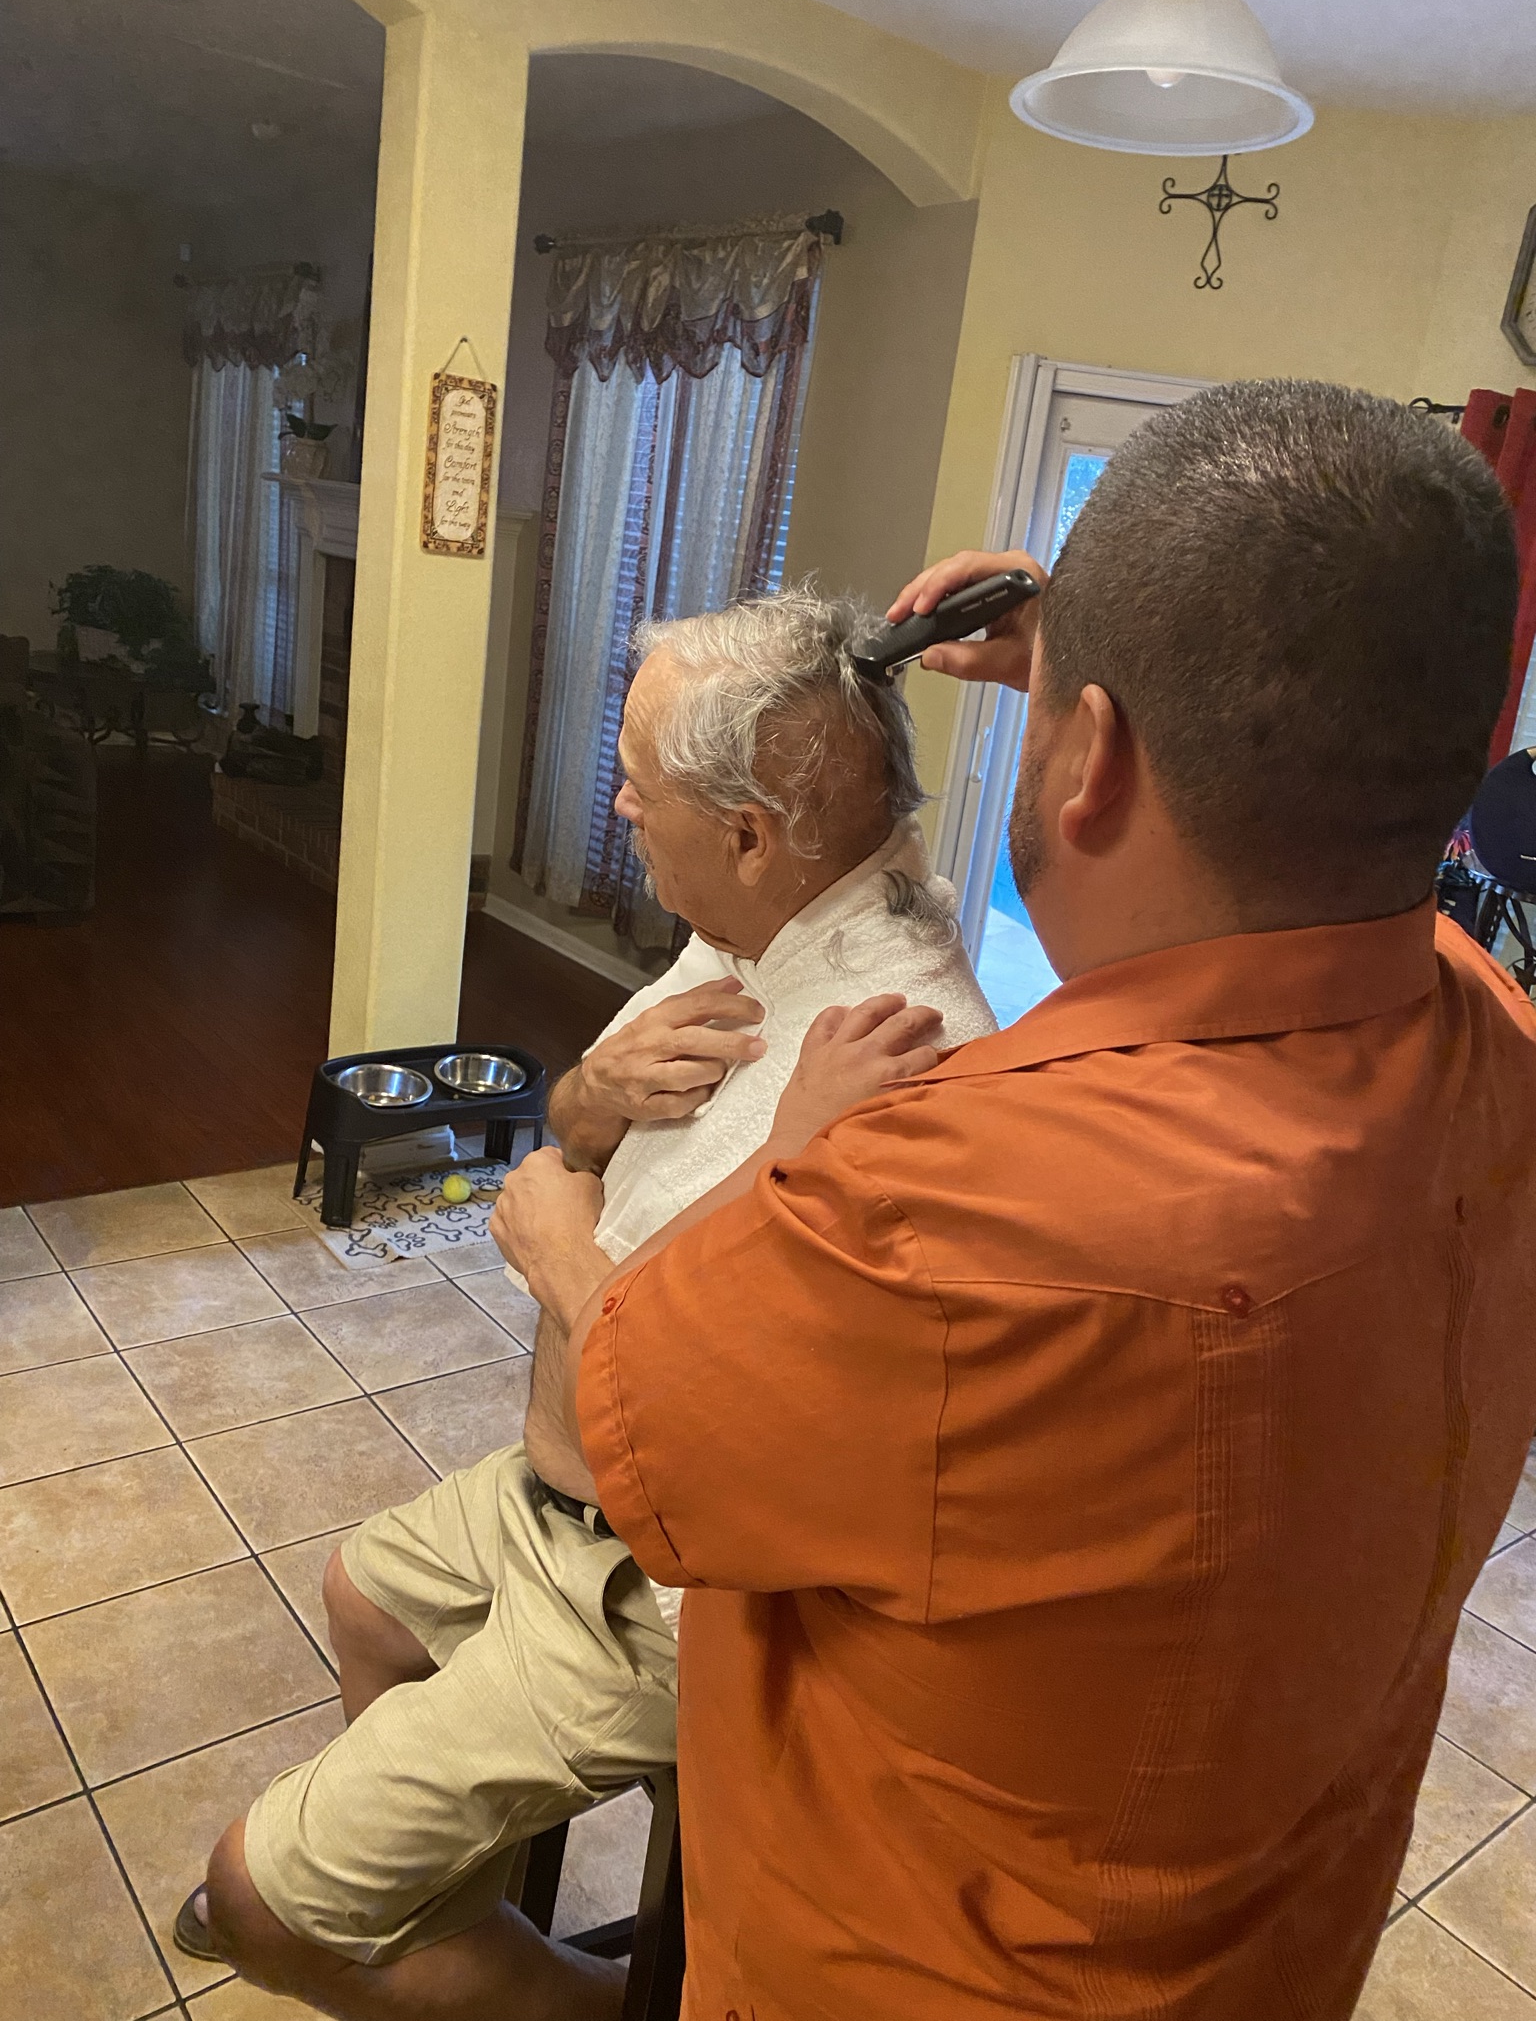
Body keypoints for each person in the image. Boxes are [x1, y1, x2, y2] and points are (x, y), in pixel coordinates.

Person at [495, 380, 1536, 2020]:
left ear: (1094, 757)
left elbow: (641, 1444)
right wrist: (1097, 654)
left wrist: (564, 1236)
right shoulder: (1496, 1042)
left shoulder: (958, 1197)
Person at [183, 588, 994, 2018]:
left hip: (655, 1584)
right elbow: (568, 1137)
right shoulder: (743, 936)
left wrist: (561, 1253)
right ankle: (456, 1933)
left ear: (749, 829)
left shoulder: (894, 1056)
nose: (614, 803)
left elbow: (750, 1411)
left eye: (639, 781)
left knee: (252, 1900)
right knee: (362, 1599)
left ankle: (585, 2004)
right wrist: (591, 1101)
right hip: (553, 1496)